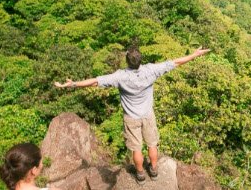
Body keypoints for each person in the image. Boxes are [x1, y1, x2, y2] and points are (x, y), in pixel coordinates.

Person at [54, 45, 210, 182]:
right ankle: (154, 170)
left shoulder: (120, 76)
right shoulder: (151, 70)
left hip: (131, 118)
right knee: (152, 144)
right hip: (148, 115)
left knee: (136, 149)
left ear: (127, 61)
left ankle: (140, 174)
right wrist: (196, 54)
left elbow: (95, 81)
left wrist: (73, 84)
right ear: (140, 60)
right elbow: (176, 62)